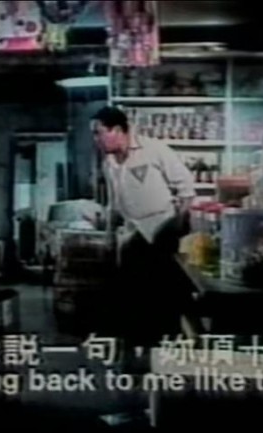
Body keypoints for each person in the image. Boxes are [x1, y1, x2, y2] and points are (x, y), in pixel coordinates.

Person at [89, 106, 199, 345]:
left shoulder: (154, 150)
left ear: (118, 130)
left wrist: (178, 226)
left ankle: (166, 340)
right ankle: (141, 342)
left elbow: (187, 188)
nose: (96, 140)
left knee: (163, 290)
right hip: (132, 230)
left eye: (99, 133)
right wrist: (109, 234)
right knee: (134, 289)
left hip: (162, 228)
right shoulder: (109, 163)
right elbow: (113, 202)